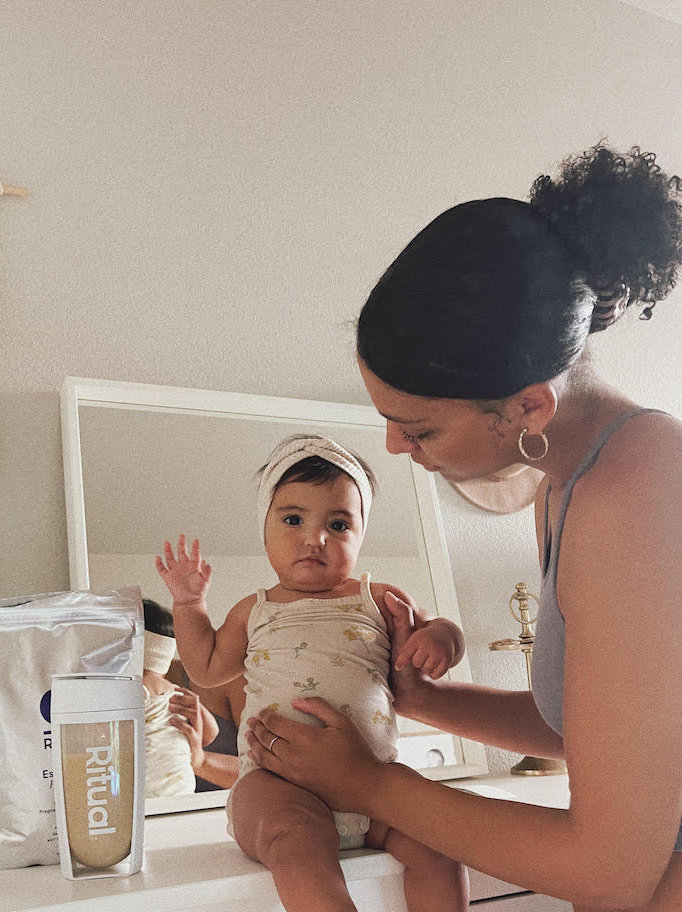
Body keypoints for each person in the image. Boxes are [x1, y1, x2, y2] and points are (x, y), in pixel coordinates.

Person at [244, 144, 682, 911]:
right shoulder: (568, 485)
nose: (394, 449)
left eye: (420, 430)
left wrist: (372, 783)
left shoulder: (641, 494)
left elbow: (613, 871)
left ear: (528, 408)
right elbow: (606, 737)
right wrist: (424, 701)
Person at [157, 435, 467, 912]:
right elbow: (205, 666)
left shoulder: (377, 597)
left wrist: (443, 639)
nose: (314, 537)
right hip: (277, 786)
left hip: (373, 783)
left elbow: (435, 626)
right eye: (293, 519)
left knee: (440, 842)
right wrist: (189, 605)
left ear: (361, 535)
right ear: (264, 528)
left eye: (338, 524)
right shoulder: (253, 611)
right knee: (296, 841)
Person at [142, 596, 221, 798]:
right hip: (183, 789)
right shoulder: (178, 693)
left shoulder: (133, 690)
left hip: (146, 792)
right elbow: (211, 733)